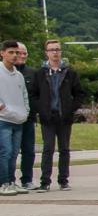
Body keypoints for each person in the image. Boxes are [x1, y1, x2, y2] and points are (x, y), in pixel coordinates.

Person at [29, 39, 85, 191]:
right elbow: (32, 94)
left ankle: (63, 180)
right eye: (52, 50)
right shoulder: (40, 73)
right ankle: (45, 181)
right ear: (46, 53)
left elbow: (79, 94)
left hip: (64, 117)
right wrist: (41, 109)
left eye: (57, 49)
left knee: (64, 149)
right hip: (48, 117)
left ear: (61, 52)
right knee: (48, 149)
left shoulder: (70, 73)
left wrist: (70, 109)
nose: (55, 52)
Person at [0, 40, 30, 197]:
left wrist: (25, 111)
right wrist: (3, 108)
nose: (14, 55)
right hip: (3, 120)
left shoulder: (18, 75)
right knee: (5, 152)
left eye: (16, 52)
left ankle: (11, 181)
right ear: (2, 53)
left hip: (18, 120)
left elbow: (24, 95)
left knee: (13, 153)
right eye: (10, 52)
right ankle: (3, 183)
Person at [14, 44, 37, 190]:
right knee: (10, 151)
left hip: (28, 119)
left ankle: (27, 180)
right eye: (19, 53)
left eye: (25, 53)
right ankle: (8, 180)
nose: (22, 56)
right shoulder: (5, 72)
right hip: (10, 118)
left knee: (28, 151)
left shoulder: (32, 73)